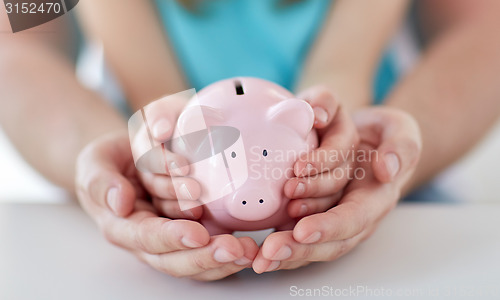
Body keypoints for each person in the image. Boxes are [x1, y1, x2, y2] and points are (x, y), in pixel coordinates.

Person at [0, 0, 499, 281]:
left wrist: (386, 150)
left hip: (387, 204)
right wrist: (106, 157)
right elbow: (17, 33)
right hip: (137, 215)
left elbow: (484, 27)